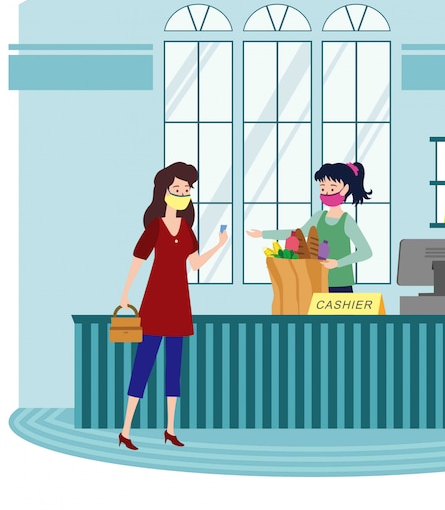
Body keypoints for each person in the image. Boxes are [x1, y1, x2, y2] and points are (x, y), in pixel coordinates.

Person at [117, 162, 228, 450]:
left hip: (179, 304)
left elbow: (195, 263)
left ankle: (169, 429)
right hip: (155, 303)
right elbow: (138, 258)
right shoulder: (155, 226)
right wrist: (125, 293)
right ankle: (126, 429)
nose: (182, 192)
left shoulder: (188, 229)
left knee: (173, 371)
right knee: (143, 365)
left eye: (187, 189)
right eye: (177, 187)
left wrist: (219, 244)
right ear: (164, 192)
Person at [247, 161, 372, 292]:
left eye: (332, 188)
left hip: (340, 282)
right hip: (316, 280)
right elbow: (297, 234)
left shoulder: (346, 221)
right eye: (323, 188)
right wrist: (263, 234)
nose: (327, 193)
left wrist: (337, 263)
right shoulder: (319, 217)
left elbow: (365, 252)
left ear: (345, 189)